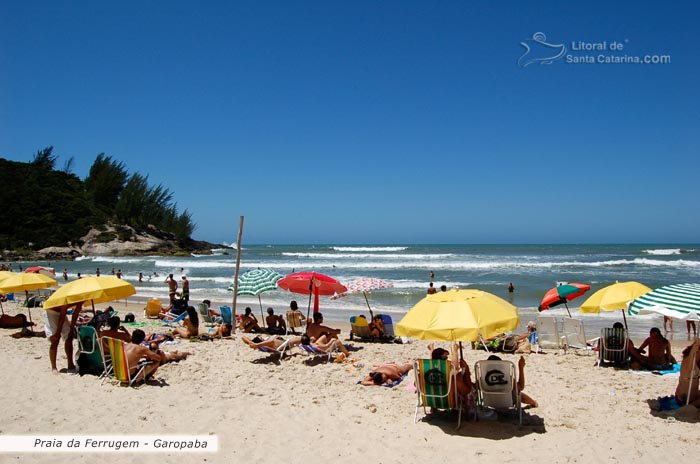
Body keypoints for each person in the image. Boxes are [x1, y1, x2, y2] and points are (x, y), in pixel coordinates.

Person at [45, 302, 83, 374]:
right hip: (51, 312)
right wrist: (58, 333)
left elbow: (75, 314)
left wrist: (71, 329)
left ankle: (70, 364)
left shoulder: (82, 297)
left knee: (69, 337)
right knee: (55, 339)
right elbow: (62, 317)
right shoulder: (66, 297)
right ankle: (54, 367)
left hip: (62, 312)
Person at [675, 339, 700, 406]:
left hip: (694, 395)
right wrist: (694, 349)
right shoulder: (688, 361)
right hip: (684, 398)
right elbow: (691, 357)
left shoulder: (697, 362)